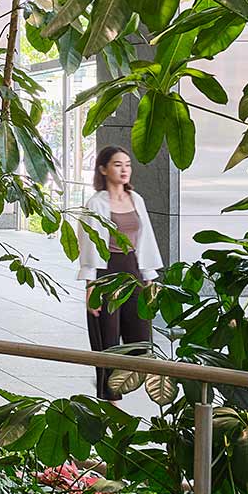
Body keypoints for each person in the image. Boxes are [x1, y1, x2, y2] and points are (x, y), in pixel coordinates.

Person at [77, 146, 161, 401]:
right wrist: (91, 287)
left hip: (133, 271)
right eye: (117, 164)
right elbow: (89, 245)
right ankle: (110, 400)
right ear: (103, 169)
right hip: (106, 273)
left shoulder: (136, 199)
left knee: (140, 339)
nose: (124, 169)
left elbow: (146, 239)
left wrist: (149, 279)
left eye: (127, 164)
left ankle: (125, 385)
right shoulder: (96, 203)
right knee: (108, 340)